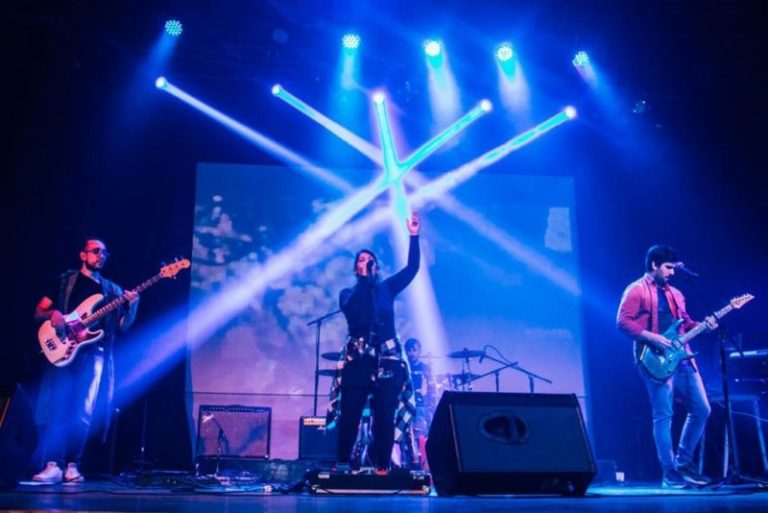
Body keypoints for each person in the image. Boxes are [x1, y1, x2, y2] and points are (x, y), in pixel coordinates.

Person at [31, 238, 139, 483]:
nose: (101, 255)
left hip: (96, 355)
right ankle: (52, 465)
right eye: (96, 251)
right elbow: (39, 312)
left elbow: (122, 328)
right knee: (57, 409)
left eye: (104, 252)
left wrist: (132, 306)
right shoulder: (64, 281)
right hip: (64, 350)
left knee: (83, 411)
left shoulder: (112, 290)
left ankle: (72, 465)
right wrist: (54, 314)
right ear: (83, 255)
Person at [327, 213, 421, 473]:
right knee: (351, 415)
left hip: (388, 359)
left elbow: (412, 269)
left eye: (370, 260)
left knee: (384, 416)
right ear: (356, 267)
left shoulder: (387, 289)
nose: (365, 262)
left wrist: (414, 236)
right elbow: (356, 315)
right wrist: (365, 282)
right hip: (359, 360)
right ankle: (343, 464)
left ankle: (382, 467)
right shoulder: (348, 293)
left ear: (377, 266)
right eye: (361, 260)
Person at [616, 244, 716, 489]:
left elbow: (683, 324)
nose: (672, 272)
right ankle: (669, 473)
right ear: (654, 265)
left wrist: (703, 325)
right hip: (653, 359)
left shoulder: (676, 293)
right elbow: (622, 322)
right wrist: (652, 337)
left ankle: (683, 464)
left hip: (682, 357)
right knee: (664, 415)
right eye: (668, 267)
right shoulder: (636, 290)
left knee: (702, 409)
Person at [402, 337, 436, 468]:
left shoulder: (424, 368)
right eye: (408, 351)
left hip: (420, 405)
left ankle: (421, 463)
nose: (411, 353)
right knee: (404, 434)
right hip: (404, 404)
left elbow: (431, 389)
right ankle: (406, 462)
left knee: (419, 433)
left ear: (419, 351)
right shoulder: (403, 366)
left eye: (414, 350)